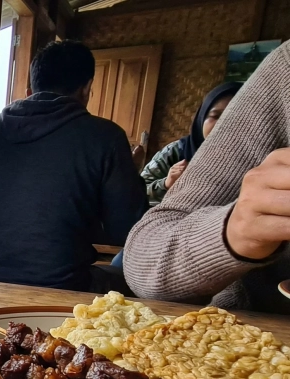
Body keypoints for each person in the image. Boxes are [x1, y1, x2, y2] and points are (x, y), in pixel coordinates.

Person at [0, 40, 147, 291]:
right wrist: (134, 174)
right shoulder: (106, 137)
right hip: (62, 287)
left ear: (30, 90)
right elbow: (128, 232)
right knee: (125, 267)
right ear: (86, 89)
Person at [123, 41, 290, 313]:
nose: (221, 124)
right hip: (166, 251)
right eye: (215, 116)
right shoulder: (176, 151)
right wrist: (236, 229)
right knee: (120, 264)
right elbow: (142, 195)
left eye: (229, 116)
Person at [141, 82, 242, 205]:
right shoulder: (176, 151)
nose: (224, 123)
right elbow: (135, 195)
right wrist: (166, 184)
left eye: (234, 117)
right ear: (202, 118)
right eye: (216, 116)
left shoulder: (257, 158)